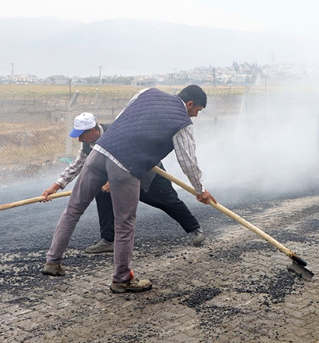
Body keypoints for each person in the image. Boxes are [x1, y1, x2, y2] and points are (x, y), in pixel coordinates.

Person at [41, 85, 216, 294]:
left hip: (99, 152)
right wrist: (200, 189)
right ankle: (121, 279)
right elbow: (187, 160)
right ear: (189, 104)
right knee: (124, 223)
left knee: (73, 210)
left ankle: (52, 262)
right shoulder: (182, 122)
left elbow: (123, 120)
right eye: (197, 110)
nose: (195, 115)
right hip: (126, 165)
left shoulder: (147, 92)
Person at [41, 113, 205, 254]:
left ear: (93, 130)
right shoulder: (88, 144)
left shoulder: (116, 132)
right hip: (116, 177)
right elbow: (77, 165)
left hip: (146, 173)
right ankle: (109, 239)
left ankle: (195, 229)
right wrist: (56, 186)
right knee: (102, 192)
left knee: (168, 201)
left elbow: (132, 159)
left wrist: (112, 182)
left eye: (81, 135)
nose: (79, 139)